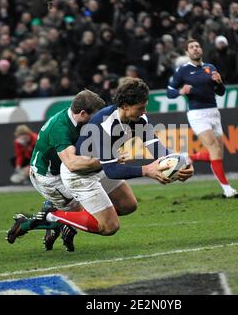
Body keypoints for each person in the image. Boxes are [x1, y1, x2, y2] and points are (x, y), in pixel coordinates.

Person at [41, 78, 194, 237]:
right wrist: (147, 170)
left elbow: (157, 148)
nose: (145, 111)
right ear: (125, 106)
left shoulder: (138, 119)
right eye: (140, 107)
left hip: (101, 166)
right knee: (109, 227)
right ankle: (53, 216)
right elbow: (112, 170)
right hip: (80, 175)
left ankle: (81, 218)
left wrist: (182, 162)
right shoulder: (103, 124)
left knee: (128, 205)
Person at [6, 90, 106, 251]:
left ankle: (57, 221)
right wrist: (107, 161)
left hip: (61, 170)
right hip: (49, 178)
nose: (98, 120)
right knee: (85, 215)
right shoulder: (60, 128)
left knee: (89, 208)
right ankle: (25, 224)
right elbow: (72, 163)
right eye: (95, 116)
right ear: (82, 113)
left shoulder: (73, 118)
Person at [167, 39, 238, 198]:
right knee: (214, 149)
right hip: (197, 114)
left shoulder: (211, 67)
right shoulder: (183, 71)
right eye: (192, 47)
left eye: (197, 46)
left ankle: (188, 157)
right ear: (187, 52)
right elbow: (169, 92)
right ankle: (227, 189)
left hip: (214, 112)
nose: (195, 49)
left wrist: (220, 82)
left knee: (218, 154)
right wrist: (181, 91)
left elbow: (221, 92)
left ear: (201, 49)